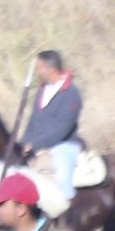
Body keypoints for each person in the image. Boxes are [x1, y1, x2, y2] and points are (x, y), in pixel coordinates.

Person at [20, 50, 83, 202]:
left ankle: (68, 216)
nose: (37, 71)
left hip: (64, 145)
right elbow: (32, 121)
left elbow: (62, 129)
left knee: (62, 181)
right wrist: (23, 143)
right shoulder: (42, 91)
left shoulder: (71, 94)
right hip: (38, 146)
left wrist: (35, 144)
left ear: (51, 69)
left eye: (40, 68)